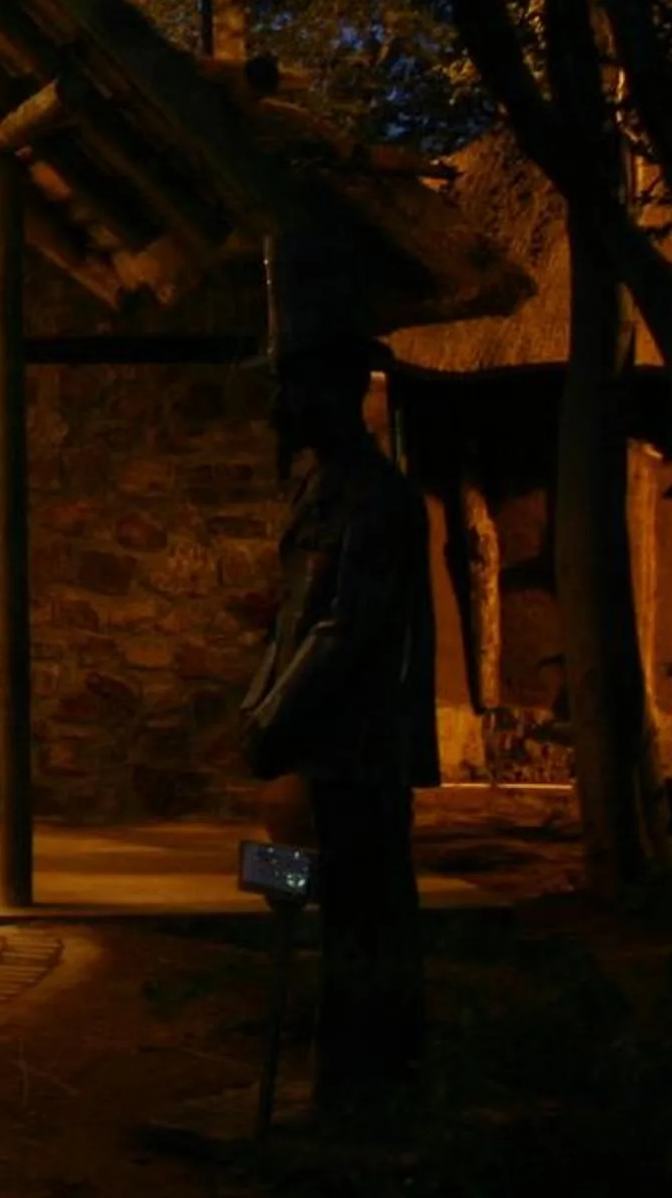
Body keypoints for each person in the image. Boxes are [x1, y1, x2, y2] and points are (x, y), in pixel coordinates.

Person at [241, 333, 439, 1127]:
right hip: (316, 748)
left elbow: (345, 630)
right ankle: (340, 1079)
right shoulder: (320, 491)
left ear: (331, 394)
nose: (275, 408)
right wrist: (260, 706)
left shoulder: (376, 501)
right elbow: (289, 620)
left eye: (289, 390)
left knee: (367, 921)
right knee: (322, 911)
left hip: (358, 749)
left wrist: (276, 717)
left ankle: (370, 1090)